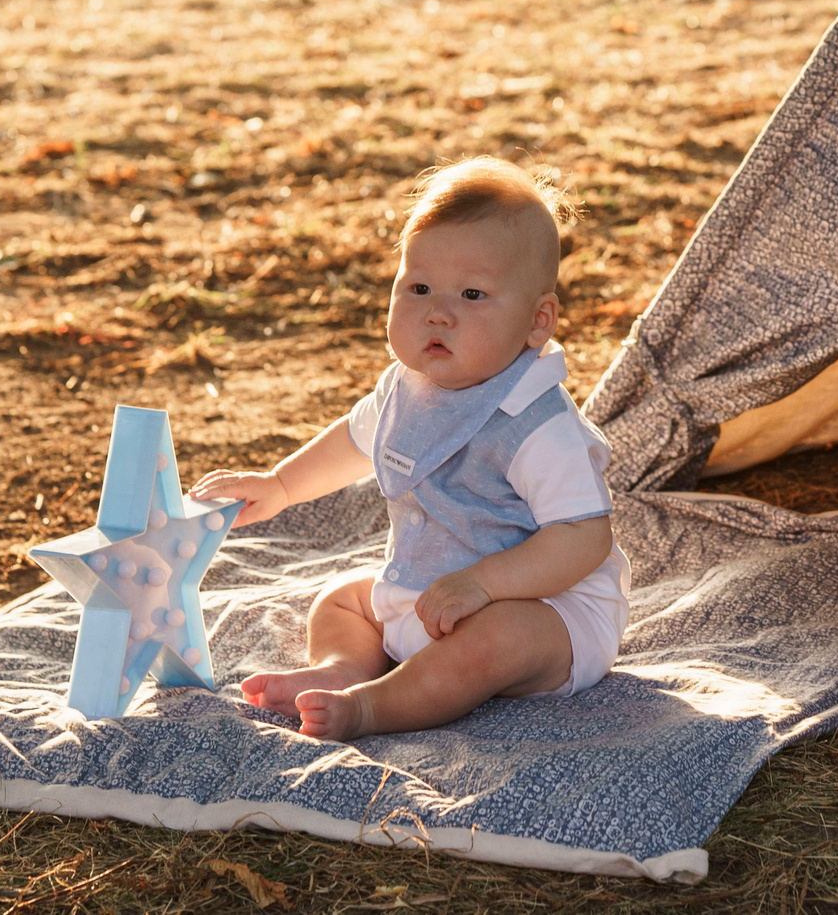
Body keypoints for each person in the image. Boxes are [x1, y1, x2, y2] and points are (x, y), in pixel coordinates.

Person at [192, 159, 625, 740]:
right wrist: (281, 485)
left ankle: (374, 708)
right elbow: (354, 438)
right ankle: (341, 669)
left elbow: (584, 537)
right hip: (428, 591)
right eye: (418, 288)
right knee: (343, 598)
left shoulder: (535, 421)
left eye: (473, 294)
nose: (438, 311)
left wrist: (486, 585)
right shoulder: (407, 387)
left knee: (495, 640)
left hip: (546, 614)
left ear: (537, 320)